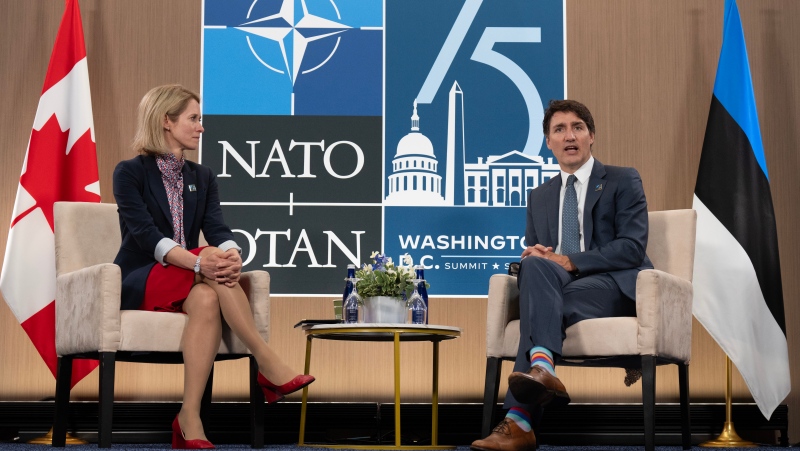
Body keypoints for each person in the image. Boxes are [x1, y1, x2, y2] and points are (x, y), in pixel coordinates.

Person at [113, 84, 314, 450]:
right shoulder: (129, 172)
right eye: (194, 118)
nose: (201, 127)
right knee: (208, 262)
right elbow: (143, 235)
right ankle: (267, 360)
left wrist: (232, 252)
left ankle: (189, 416)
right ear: (166, 121)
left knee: (207, 297)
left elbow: (218, 227)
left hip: (190, 279)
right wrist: (198, 261)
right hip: (141, 276)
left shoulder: (201, 176)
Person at [471, 100, 652, 451]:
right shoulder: (539, 196)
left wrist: (569, 260)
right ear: (548, 142)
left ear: (591, 137)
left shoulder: (621, 179)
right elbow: (541, 258)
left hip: (612, 284)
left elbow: (631, 247)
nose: (569, 135)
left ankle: (520, 419)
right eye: (559, 129)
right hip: (561, 288)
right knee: (534, 265)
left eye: (577, 127)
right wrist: (539, 256)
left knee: (540, 309)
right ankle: (543, 369)